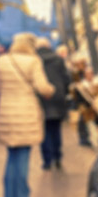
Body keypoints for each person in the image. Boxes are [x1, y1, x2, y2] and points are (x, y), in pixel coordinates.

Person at [0, 33, 54, 197]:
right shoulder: (33, 61)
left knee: (12, 155)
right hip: (25, 111)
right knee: (23, 157)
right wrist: (51, 89)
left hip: (6, 112)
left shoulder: (2, 60)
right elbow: (42, 87)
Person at [35, 38, 70, 170]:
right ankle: (58, 157)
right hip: (57, 96)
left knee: (44, 130)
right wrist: (64, 92)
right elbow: (66, 78)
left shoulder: (35, 60)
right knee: (56, 129)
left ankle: (47, 160)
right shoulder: (58, 59)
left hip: (41, 98)